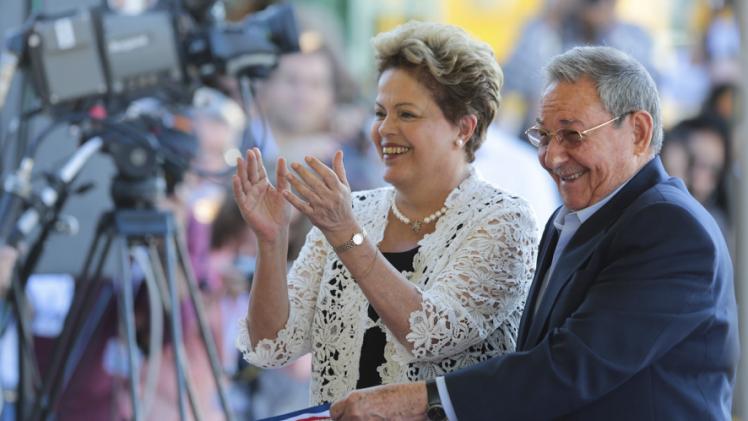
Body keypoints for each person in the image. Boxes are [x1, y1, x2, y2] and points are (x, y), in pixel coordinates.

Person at [330, 46, 739, 421]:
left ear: (638, 132)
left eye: (572, 135)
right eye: (543, 136)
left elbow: (570, 367)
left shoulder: (670, 228)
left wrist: (420, 400)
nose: (551, 156)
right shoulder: (576, 216)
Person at [233, 21, 539, 405]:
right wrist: (271, 241)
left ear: (463, 127)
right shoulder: (354, 210)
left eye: (407, 114)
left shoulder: (504, 220)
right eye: (380, 113)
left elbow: (428, 333)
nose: (384, 130)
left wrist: (347, 234)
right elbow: (270, 345)